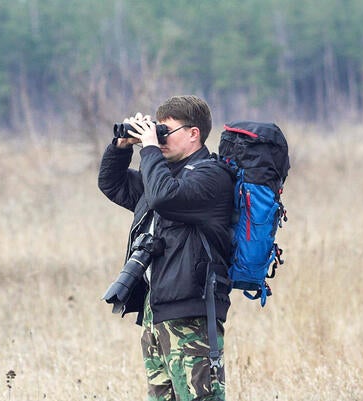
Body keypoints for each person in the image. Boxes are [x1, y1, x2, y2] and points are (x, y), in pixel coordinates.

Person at [98, 95, 234, 401]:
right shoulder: (163, 176)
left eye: (165, 133)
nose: (158, 140)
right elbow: (112, 185)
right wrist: (121, 147)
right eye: (157, 132)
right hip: (156, 312)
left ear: (193, 133)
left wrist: (148, 149)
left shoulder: (211, 177)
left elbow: (164, 197)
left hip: (191, 313)